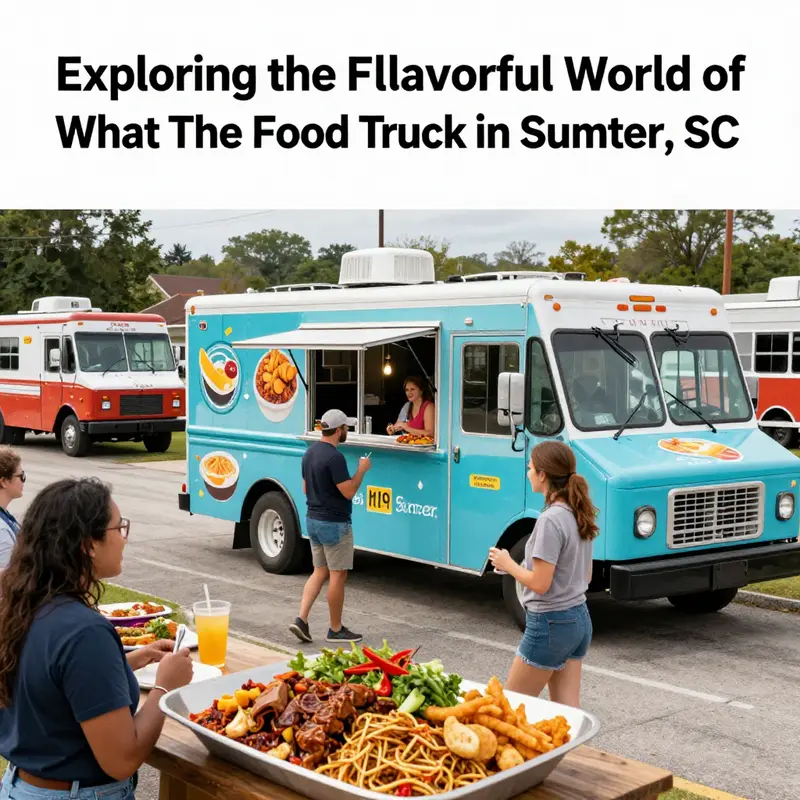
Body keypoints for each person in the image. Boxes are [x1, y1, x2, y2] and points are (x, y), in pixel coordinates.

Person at [0, 478, 193, 800]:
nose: (124, 540)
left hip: (21, 786)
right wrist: (165, 687)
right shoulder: (83, 632)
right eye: (120, 529)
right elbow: (122, 760)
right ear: (88, 544)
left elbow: (50, 682)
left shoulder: (21, 607)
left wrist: (130, 660)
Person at [488, 441, 597, 707]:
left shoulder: (549, 520)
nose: (528, 473)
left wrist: (507, 563)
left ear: (543, 475)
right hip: (578, 619)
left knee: (508, 711)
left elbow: (540, 583)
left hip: (550, 623)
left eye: (530, 468)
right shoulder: (578, 513)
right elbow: (588, 575)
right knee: (567, 718)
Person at [290, 409, 371, 645]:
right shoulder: (335, 458)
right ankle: (335, 629)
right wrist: (362, 470)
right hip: (334, 523)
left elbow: (306, 489)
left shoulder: (309, 453)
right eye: (346, 427)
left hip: (312, 520)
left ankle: (301, 619)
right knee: (338, 575)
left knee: (319, 571)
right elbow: (348, 491)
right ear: (338, 431)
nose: (348, 431)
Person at [0, 448, 24, 571]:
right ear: (4, 482)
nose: (23, 481)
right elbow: (4, 579)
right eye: (21, 476)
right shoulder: (2, 530)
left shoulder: (4, 514)